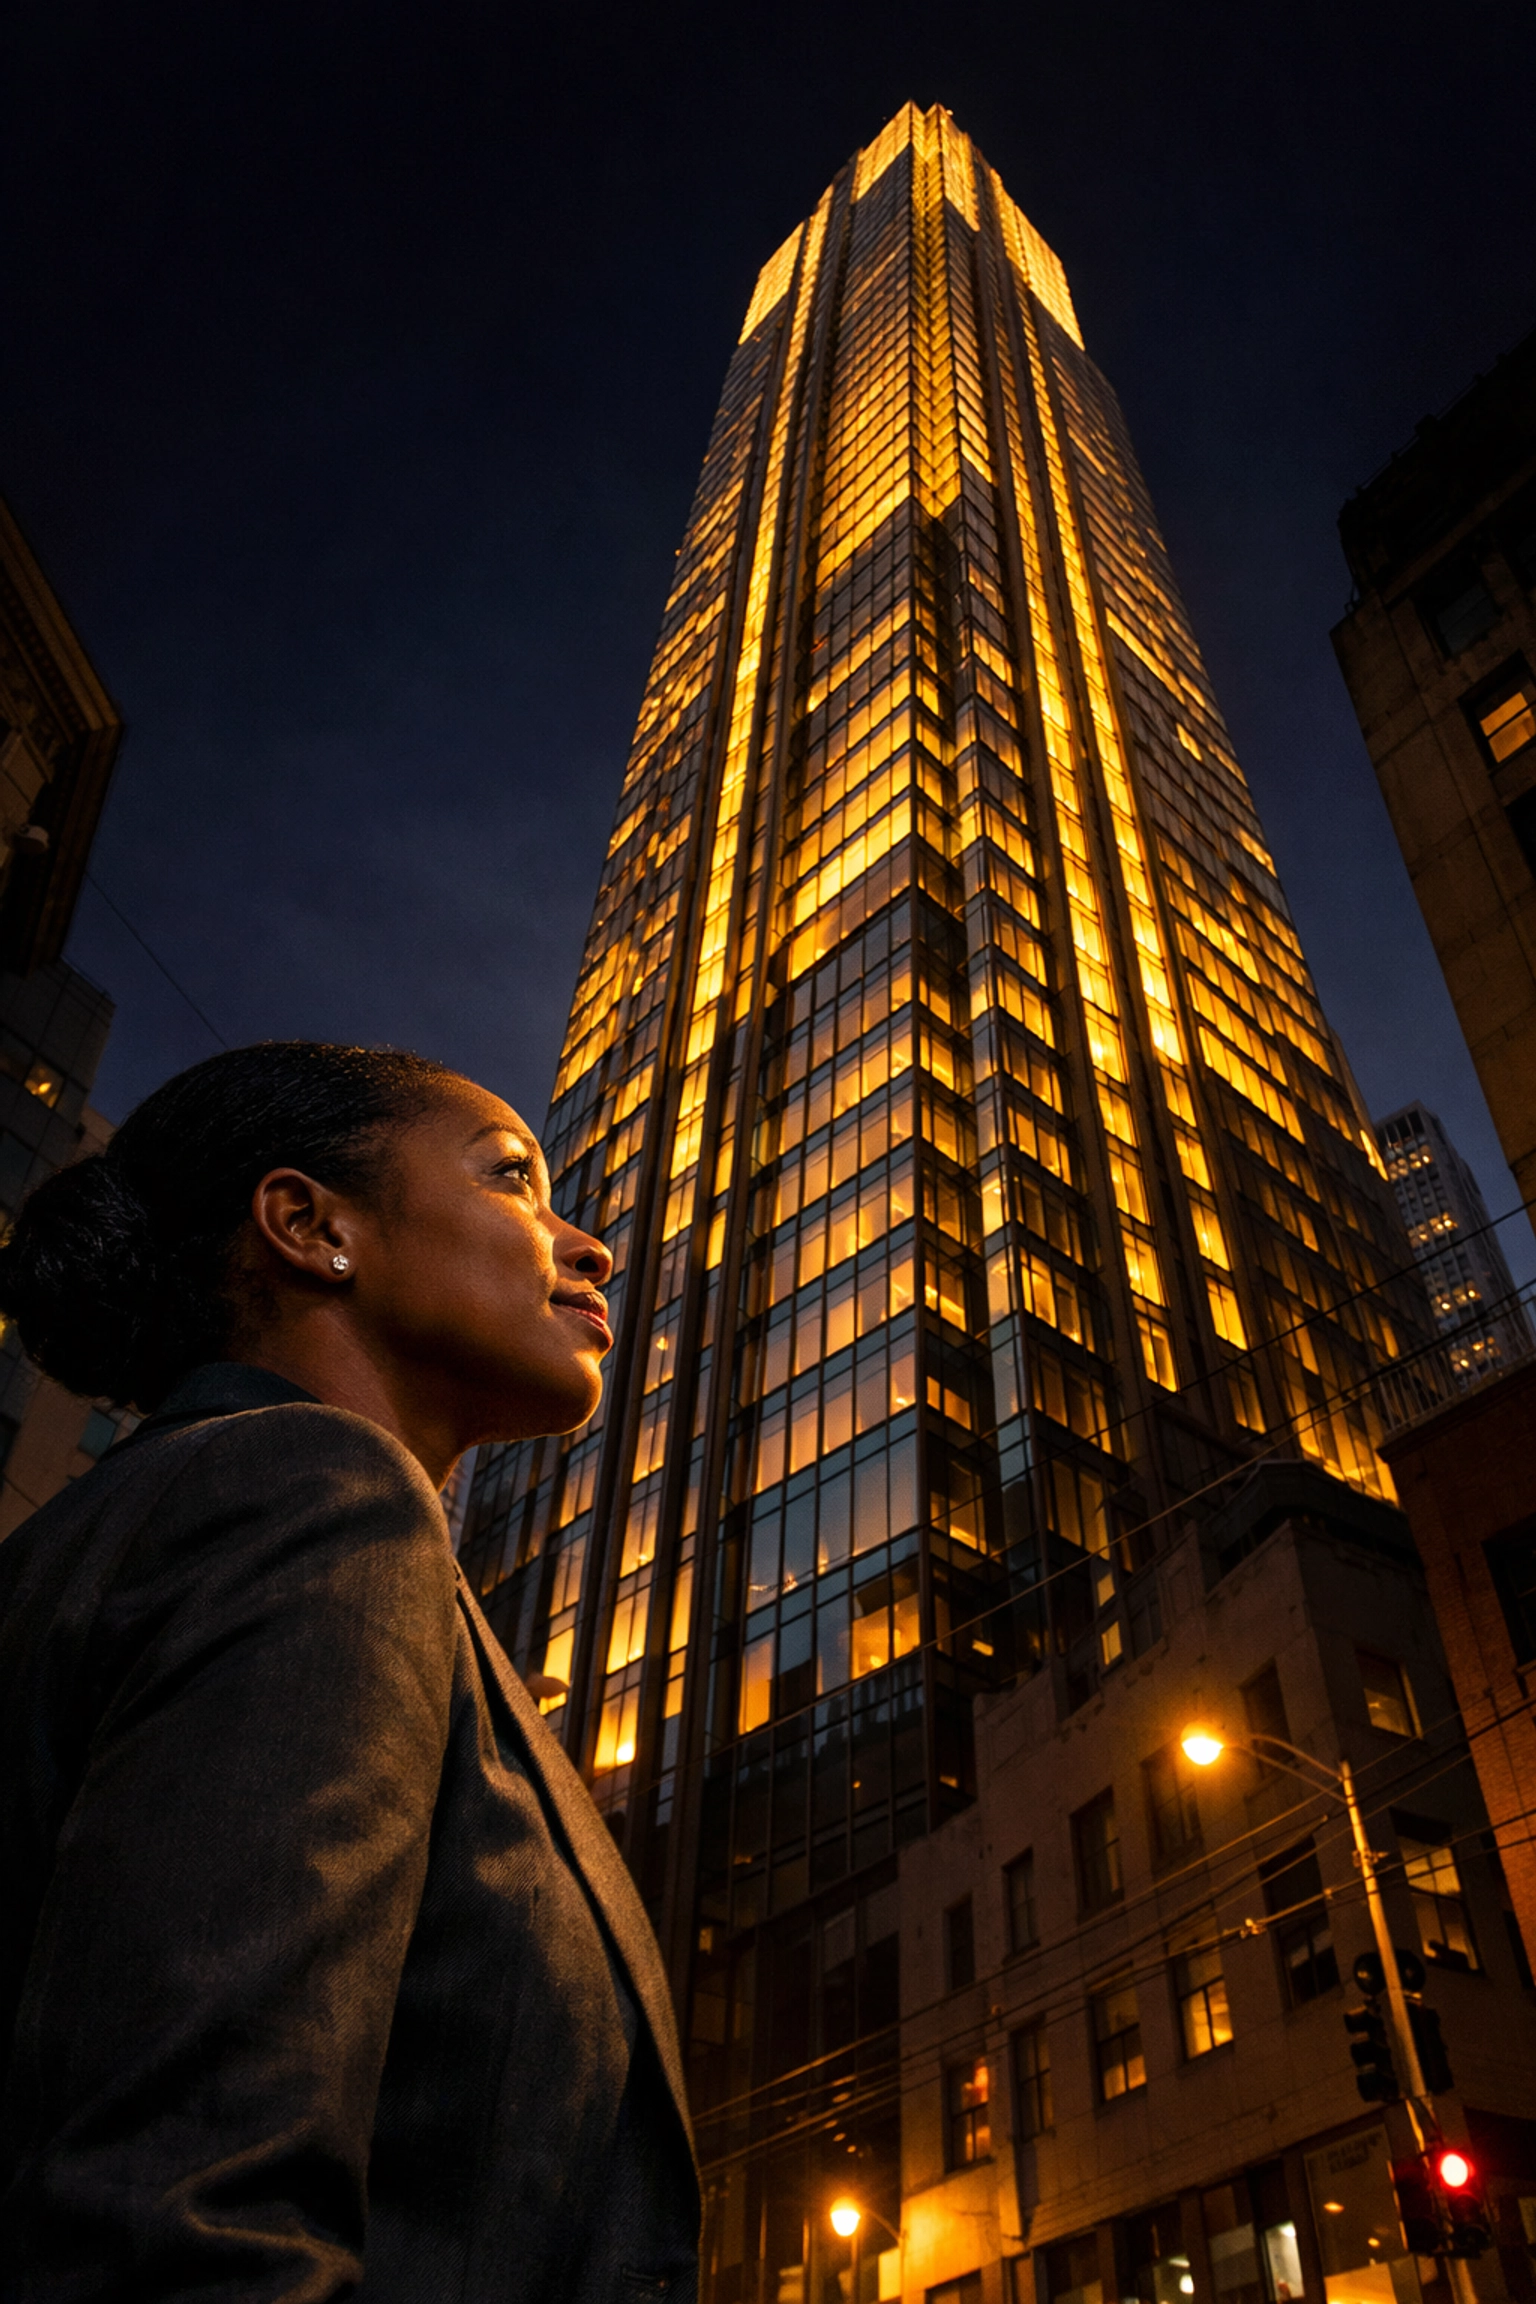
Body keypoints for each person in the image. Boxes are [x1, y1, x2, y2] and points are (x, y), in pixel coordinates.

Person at [0, 1041, 699, 2301]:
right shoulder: (311, 1495)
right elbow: (182, 2218)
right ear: (310, 1226)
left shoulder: (150, 1522)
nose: (589, 1245)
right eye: (513, 1180)